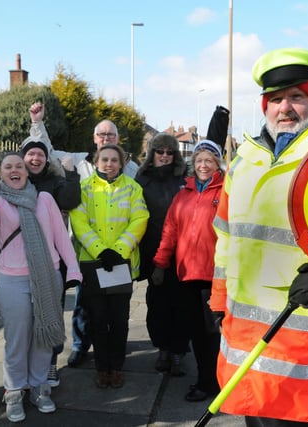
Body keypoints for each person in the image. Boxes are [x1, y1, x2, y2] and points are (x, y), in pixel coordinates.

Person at [209, 48, 308, 427]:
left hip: (305, 338)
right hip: (245, 338)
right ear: (264, 106)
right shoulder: (245, 156)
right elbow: (226, 235)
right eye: (276, 99)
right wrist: (218, 298)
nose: (285, 108)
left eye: (297, 97)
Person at [0, 151, 82, 423]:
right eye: (8, 166)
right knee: (17, 340)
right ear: (1, 173)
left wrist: (73, 269)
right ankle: (15, 390)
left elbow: (61, 239)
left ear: (27, 172)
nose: (15, 169)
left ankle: (40, 387)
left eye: (19, 165)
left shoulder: (45, 200)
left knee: (44, 337)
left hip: (48, 275)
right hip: (11, 280)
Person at [29, 103, 138, 368]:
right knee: (83, 302)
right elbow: (48, 153)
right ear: (94, 139)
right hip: (85, 249)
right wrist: (37, 123)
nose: (105, 139)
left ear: (118, 139)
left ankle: (112, 350)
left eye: (110, 135)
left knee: (115, 309)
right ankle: (80, 345)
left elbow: (139, 206)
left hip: (120, 252)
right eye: (101, 135)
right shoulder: (78, 161)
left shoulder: (131, 169)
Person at [69, 144, 149, 389]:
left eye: (114, 160)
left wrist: (118, 250)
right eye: (104, 159)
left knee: (119, 321)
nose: (109, 164)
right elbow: (79, 221)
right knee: (97, 320)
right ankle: (101, 367)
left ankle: (116, 367)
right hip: (94, 265)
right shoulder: (84, 188)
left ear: (121, 163)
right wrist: (100, 250)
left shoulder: (133, 188)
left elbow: (139, 218)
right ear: (96, 161)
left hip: (121, 265)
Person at [152, 140, 225, 402]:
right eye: (199, 161)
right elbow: (170, 230)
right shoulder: (184, 194)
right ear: (193, 165)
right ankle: (207, 379)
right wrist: (161, 263)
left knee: (212, 335)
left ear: (217, 164)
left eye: (209, 160)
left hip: (214, 276)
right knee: (196, 332)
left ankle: (211, 383)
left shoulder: (226, 192)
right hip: (186, 275)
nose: (203, 165)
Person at [20, 121, 81, 387]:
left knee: (51, 315)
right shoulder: (13, 181)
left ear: (46, 160)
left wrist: (70, 173)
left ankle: (50, 364)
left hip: (52, 260)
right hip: (19, 262)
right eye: (31, 154)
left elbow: (70, 200)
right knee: (22, 319)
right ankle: (23, 369)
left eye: (40, 155)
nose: (35, 158)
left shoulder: (55, 183)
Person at [135, 133, 188, 376]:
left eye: (169, 152)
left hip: (182, 253)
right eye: (160, 151)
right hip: (153, 250)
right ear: (152, 154)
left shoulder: (184, 178)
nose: (165, 156)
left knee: (181, 305)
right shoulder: (142, 179)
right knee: (157, 304)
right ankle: (162, 349)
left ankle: (178, 351)